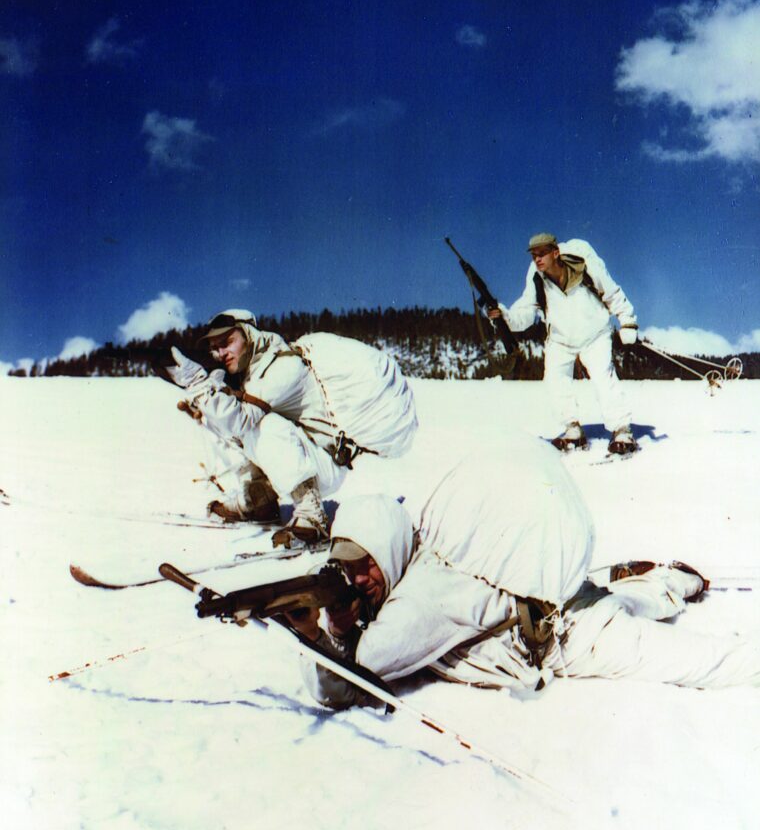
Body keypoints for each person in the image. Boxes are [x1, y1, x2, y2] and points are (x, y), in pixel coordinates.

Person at [287, 437, 760, 707]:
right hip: (565, 598)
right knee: (636, 600)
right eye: (347, 570)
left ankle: (677, 588)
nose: (362, 580)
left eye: (366, 564)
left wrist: (319, 634)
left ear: (388, 548)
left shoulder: (417, 602)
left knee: (702, 663)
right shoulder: (435, 541)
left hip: (573, 639)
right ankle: (677, 579)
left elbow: (344, 683)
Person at [165, 309, 417, 543]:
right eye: (215, 348)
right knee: (225, 419)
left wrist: (200, 384)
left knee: (261, 425)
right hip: (307, 458)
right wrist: (207, 406)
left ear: (249, 334)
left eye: (227, 342)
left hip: (323, 465)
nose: (221, 353)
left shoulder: (283, 366)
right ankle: (259, 500)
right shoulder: (252, 374)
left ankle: (311, 513)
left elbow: (241, 420)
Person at [488, 233, 639, 454]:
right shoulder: (536, 277)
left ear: (555, 253)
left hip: (595, 334)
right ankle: (572, 431)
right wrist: (504, 317)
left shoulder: (585, 265)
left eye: (542, 254)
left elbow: (612, 292)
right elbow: (527, 312)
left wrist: (627, 322)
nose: (537, 260)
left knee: (602, 377)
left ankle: (622, 431)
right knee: (555, 380)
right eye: (533, 256)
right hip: (560, 339)